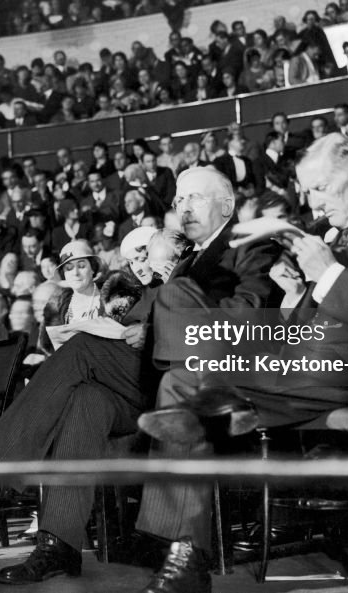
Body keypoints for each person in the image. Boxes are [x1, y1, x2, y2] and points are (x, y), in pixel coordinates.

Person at [139, 135, 348, 593]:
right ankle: (187, 555)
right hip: (297, 369)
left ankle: (187, 547)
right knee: (181, 382)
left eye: (320, 188)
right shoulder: (322, 233)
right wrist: (300, 294)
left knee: (184, 382)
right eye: (307, 190)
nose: (311, 199)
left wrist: (331, 274)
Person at [130, 167, 279, 593]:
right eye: (179, 201)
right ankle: (186, 554)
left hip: (244, 368)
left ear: (226, 207)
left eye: (195, 198)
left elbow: (254, 309)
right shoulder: (187, 261)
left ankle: (183, 551)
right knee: (87, 356)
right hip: (177, 368)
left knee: (177, 373)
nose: (184, 208)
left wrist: (186, 329)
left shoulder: (248, 245)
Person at [0, 264, 154, 585]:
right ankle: (58, 544)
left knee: (81, 348)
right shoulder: (165, 274)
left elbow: (243, 325)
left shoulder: (232, 258)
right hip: (133, 381)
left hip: (186, 373)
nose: (184, 210)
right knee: (85, 398)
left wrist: (157, 331)